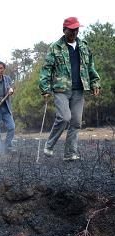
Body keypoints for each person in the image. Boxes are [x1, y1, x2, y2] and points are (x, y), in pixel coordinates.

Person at [39, 17, 101, 161]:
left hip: (79, 89)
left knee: (76, 122)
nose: (74, 32)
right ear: (64, 30)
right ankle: (49, 145)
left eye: (77, 29)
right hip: (61, 89)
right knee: (64, 117)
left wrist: (95, 83)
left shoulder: (84, 46)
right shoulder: (55, 47)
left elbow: (90, 66)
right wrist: (45, 88)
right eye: (71, 29)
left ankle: (70, 154)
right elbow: (46, 69)